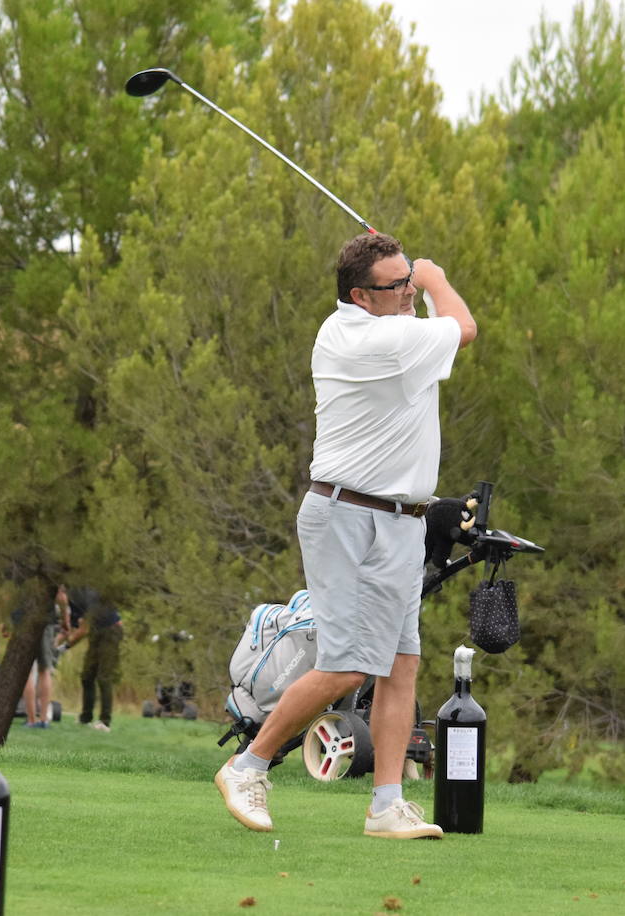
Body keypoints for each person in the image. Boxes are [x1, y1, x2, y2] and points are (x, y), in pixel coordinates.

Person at [215, 232, 477, 839]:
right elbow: (462, 327)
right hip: (345, 515)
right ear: (360, 295)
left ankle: (386, 805)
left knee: (401, 663)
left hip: (401, 520)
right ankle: (246, 766)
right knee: (347, 667)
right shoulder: (361, 336)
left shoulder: (397, 329)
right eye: (397, 285)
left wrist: (415, 283)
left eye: (409, 280)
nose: (409, 292)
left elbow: (440, 335)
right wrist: (435, 277)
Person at [61, 585, 123, 732]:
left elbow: (83, 630)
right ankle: (85, 717)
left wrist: (63, 647)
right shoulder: (73, 598)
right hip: (96, 631)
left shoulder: (85, 593)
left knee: (104, 677)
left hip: (111, 631)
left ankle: (105, 722)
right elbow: (75, 626)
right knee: (87, 676)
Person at [17, 588, 65, 729]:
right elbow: (61, 596)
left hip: (23, 618)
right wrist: (65, 620)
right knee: (45, 670)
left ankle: (31, 719)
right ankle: (44, 720)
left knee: (26, 671)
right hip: (46, 620)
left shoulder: (21, 567)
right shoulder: (52, 568)